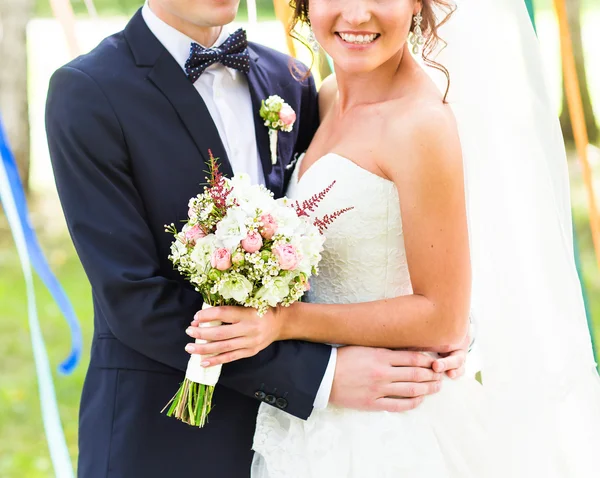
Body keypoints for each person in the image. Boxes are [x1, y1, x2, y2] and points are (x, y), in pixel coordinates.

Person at [44, 0, 467, 476]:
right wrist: (320, 376)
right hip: (163, 437)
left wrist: (440, 333)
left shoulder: (290, 81)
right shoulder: (89, 92)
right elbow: (134, 301)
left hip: (307, 441)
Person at [187, 0, 600, 476]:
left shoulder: (419, 124)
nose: (357, 16)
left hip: (392, 427)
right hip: (317, 421)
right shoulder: (323, 97)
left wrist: (284, 322)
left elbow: (442, 319)